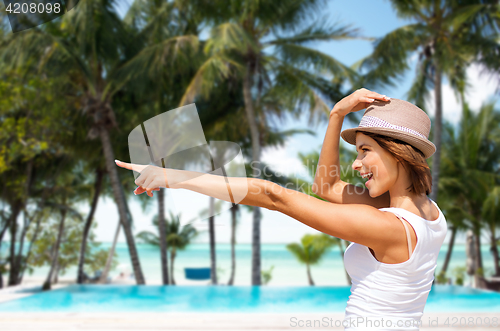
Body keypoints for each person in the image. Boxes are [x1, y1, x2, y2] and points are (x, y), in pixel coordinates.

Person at [115, 88, 447, 330]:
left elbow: (274, 196)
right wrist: (336, 116)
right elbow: (326, 188)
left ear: (398, 153)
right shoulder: (430, 214)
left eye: (364, 151)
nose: (357, 164)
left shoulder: (387, 227)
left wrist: (172, 176)